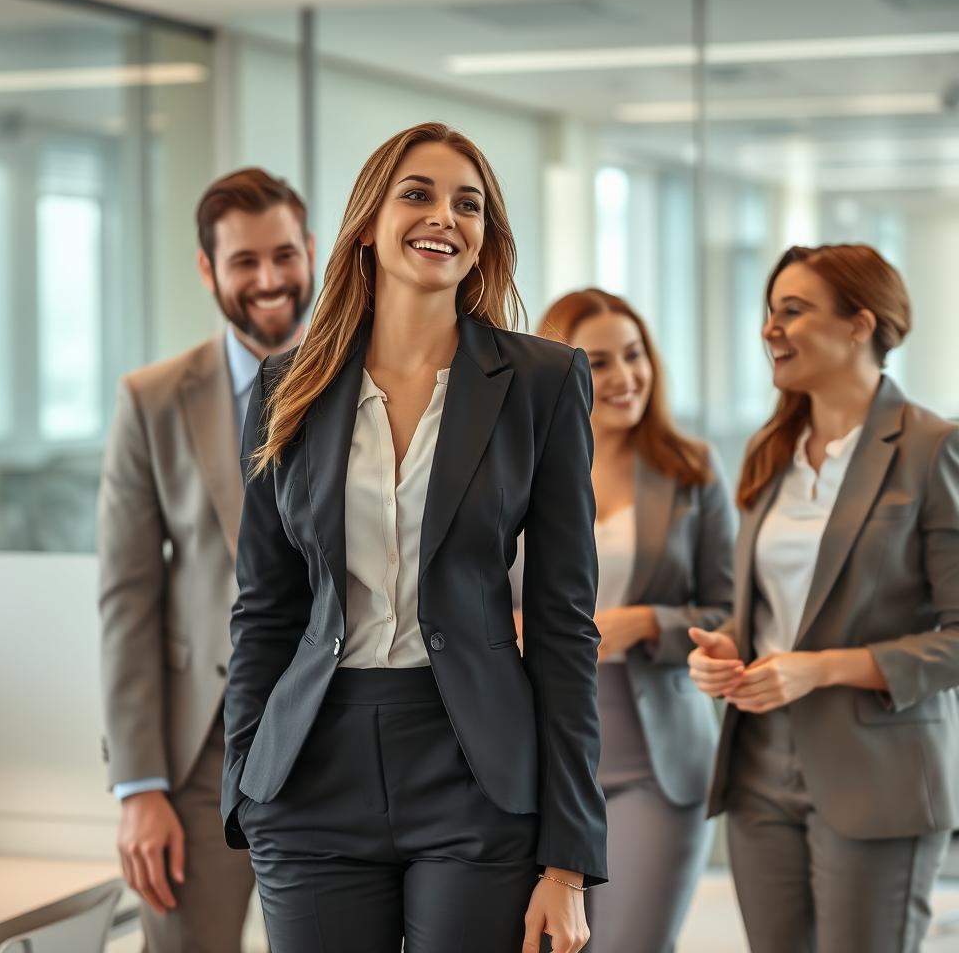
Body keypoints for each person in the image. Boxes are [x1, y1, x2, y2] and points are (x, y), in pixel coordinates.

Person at [222, 122, 608, 953]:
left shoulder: (543, 382)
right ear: (369, 222)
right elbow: (264, 608)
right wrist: (244, 783)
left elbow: (564, 625)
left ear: (483, 240)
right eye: (418, 194)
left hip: (475, 770)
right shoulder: (288, 388)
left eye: (467, 204)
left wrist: (568, 862)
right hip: (310, 776)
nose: (444, 216)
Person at [689, 244, 959, 953]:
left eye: (793, 311)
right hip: (758, 768)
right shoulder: (769, 450)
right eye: (769, 312)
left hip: (877, 772)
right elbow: (776, 610)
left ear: (858, 325)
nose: (769, 329)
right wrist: (729, 650)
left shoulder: (933, 447)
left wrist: (821, 667)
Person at [98, 168, 314, 951]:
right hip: (198, 755)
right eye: (244, 261)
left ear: (311, 249)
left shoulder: (370, 381)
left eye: (284, 255)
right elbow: (127, 598)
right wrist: (138, 784)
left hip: (342, 735)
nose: (269, 280)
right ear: (207, 269)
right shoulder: (153, 400)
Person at [511, 289, 732, 952]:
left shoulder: (690, 469)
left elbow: (729, 606)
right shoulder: (512, 466)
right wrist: (512, 630)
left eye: (634, 356)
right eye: (599, 362)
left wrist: (645, 623)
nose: (624, 377)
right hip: (534, 762)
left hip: (655, 767)